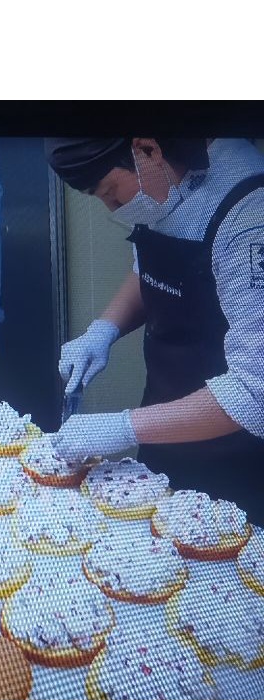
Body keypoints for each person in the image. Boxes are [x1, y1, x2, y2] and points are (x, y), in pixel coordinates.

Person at [45, 137, 264, 524]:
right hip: (161, 421)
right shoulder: (159, 192)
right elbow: (151, 270)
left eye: (111, 190)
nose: (113, 206)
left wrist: (120, 427)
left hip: (236, 453)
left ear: (148, 149)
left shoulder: (248, 212)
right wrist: (104, 329)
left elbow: (254, 391)